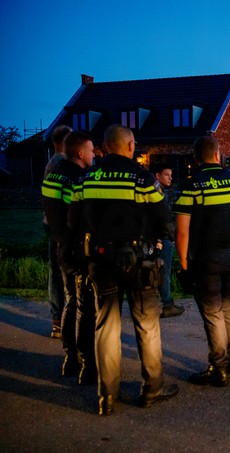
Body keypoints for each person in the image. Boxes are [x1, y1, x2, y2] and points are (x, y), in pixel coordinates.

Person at [76, 124, 178, 415]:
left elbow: (74, 219)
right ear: (131, 146)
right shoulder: (142, 178)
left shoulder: (86, 178)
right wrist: (159, 242)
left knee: (105, 324)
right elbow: (164, 218)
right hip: (138, 260)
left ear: (104, 147)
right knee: (146, 324)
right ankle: (152, 389)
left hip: (100, 259)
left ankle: (106, 395)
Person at [174, 135, 230, 387]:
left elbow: (182, 230)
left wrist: (183, 263)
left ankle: (219, 368)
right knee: (229, 309)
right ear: (218, 154)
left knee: (213, 314)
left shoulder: (192, 185)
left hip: (206, 260)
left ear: (196, 158)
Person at [42, 131, 97, 384]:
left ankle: (69, 358)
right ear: (79, 153)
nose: (94, 154)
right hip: (78, 249)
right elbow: (80, 216)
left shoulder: (52, 176)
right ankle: (86, 364)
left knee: (69, 301)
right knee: (85, 306)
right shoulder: (79, 178)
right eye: (91, 150)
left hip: (59, 246)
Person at [43, 125, 72, 338]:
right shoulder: (62, 164)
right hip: (59, 225)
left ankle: (57, 319)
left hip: (49, 222)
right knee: (61, 271)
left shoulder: (50, 162)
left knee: (55, 268)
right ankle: (61, 319)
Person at [152, 162, 184, 318]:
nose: (170, 178)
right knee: (164, 271)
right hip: (162, 237)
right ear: (158, 175)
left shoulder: (161, 191)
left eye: (171, 175)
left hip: (158, 237)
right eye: (167, 175)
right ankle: (167, 304)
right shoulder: (157, 192)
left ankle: (160, 302)